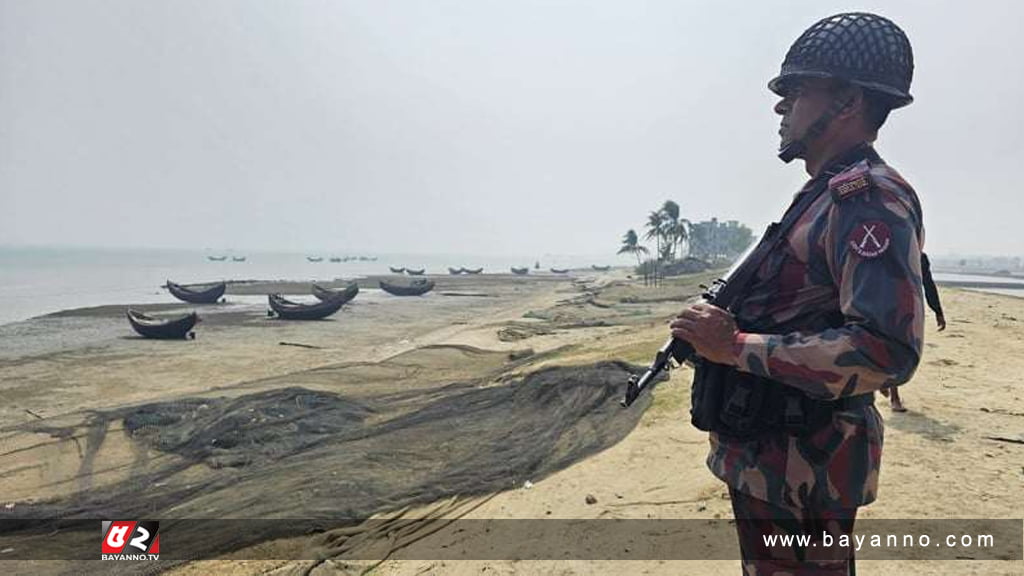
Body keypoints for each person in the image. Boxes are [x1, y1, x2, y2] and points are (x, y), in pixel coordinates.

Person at [669, 12, 933, 575]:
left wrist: (734, 345)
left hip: (805, 468)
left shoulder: (865, 200)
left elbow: (886, 350)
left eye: (796, 91)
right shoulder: (823, 194)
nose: (780, 106)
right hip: (779, 462)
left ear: (847, 103)